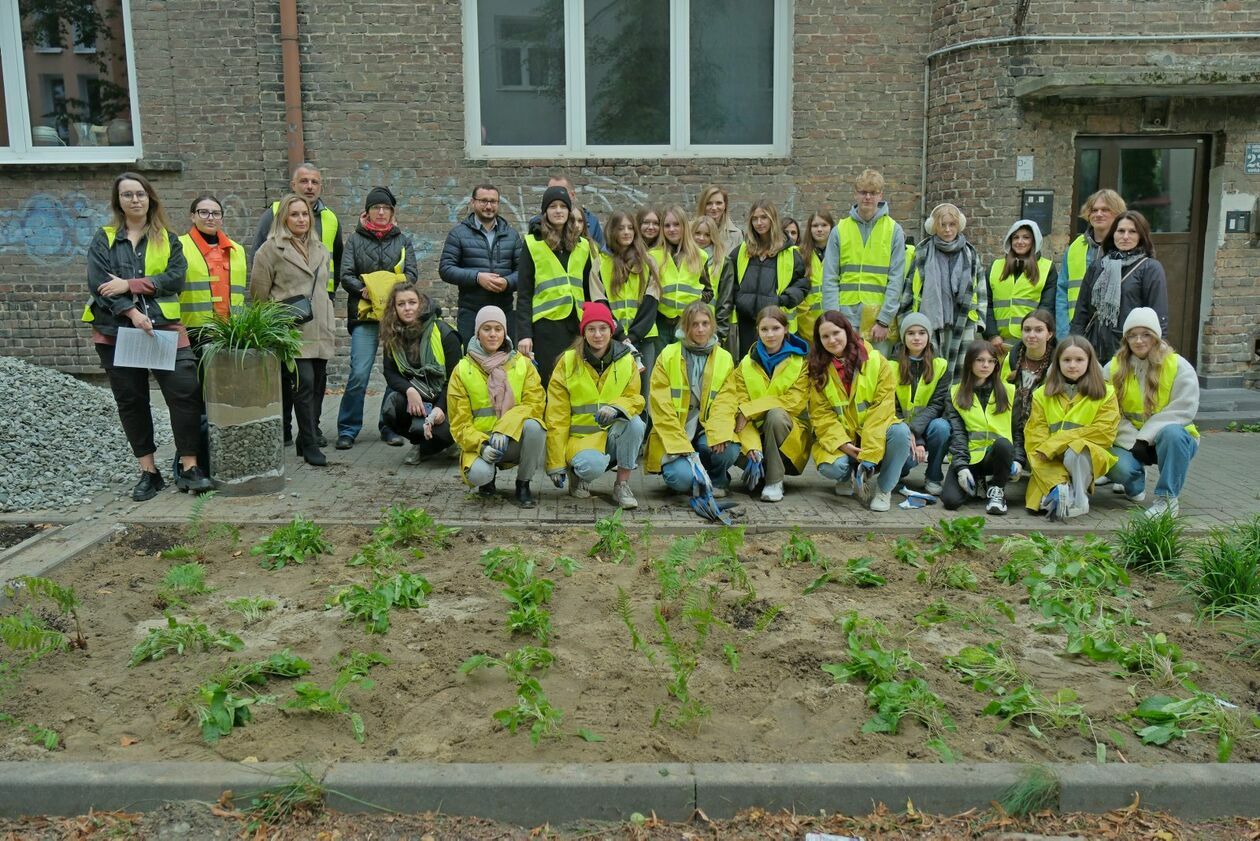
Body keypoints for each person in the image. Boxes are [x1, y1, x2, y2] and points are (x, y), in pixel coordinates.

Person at [85, 172, 210, 499]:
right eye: (127, 195)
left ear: (150, 198)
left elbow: (174, 279)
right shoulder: (104, 238)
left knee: (185, 391)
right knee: (132, 401)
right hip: (116, 333)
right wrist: (132, 311)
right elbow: (99, 283)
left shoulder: (169, 239)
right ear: (119, 202)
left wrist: (130, 284)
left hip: (163, 330)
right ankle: (149, 472)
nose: (135, 199)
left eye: (139, 193)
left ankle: (189, 466)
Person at [252, 163, 342, 447]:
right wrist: (270, 320)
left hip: (318, 315)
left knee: (316, 380)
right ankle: (287, 430)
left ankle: (311, 430)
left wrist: (326, 304)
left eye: (315, 181)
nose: (310, 186)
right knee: (294, 380)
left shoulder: (330, 221)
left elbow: (336, 263)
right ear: (294, 185)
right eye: (304, 181)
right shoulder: (273, 217)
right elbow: (259, 285)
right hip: (290, 320)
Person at [334, 186, 418, 451]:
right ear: (367, 211)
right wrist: (363, 289)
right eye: (376, 208)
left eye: (386, 208)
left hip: (394, 317)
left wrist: (393, 293)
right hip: (365, 315)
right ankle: (348, 428)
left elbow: (412, 274)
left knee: (395, 373)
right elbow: (345, 274)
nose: (381, 212)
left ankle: (389, 426)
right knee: (359, 373)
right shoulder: (355, 241)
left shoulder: (403, 240)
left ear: (392, 212)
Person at [544, 303, 646, 509]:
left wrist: (616, 408)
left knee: (635, 424)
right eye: (591, 329)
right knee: (592, 467)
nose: (597, 335)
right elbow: (557, 416)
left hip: (611, 436)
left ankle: (622, 485)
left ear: (611, 330)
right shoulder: (568, 362)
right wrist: (555, 464)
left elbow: (635, 399)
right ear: (583, 332)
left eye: (603, 328)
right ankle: (577, 476)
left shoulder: (627, 360)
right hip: (580, 440)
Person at [807, 312, 910, 512]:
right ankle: (846, 476)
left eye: (836, 333)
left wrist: (869, 454)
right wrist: (843, 445)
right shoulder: (816, 368)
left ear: (847, 330)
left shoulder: (877, 361)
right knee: (832, 467)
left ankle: (884, 490)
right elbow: (820, 415)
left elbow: (882, 410)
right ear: (819, 341)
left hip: (874, 434)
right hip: (843, 439)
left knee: (900, 432)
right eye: (825, 336)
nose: (832, 340)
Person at [1103, 308, 1199, 518]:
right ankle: (1135, 484)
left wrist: (1147, 437)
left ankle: (1166, 499)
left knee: (1173, 434)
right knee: (1108, 460)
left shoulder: (1178, 366)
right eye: (1132, 335)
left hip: (1171, 440)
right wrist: (1135, 440)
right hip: (1130, 441)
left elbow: (1183, 409)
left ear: (1156, 336)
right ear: (1126, 338)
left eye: (1146, 334)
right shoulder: (1113, 368)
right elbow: (1107, 411)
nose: (1139, 340)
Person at [447, 305, 545, 508]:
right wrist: (482, 446)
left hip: (512, 439)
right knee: (479, 474)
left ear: (505, 332)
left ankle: (523, 484)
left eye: (498, 329)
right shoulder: (462, 370)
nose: (493, 334)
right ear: (477, 333)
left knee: (536, 427)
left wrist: (504, 429)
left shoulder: (522, 364)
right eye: (487, 328)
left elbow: (535, 404)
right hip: (482, 444)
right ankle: (487, 480)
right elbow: (459, 425)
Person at [710, 306, 810, 503]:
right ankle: (732, 475)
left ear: (786, 329)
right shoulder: (746, 363)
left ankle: (774, 481)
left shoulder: (801, 362)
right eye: (764, 329)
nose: (770, 334)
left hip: (789, 436)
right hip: (754, 434)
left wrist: (749, 411)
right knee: (729, 420)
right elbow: (735, 403)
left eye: (776, 328)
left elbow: (794, 401)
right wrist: (752, 444)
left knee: (775, 415)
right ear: (757, 331)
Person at [646, 301, 741, 497]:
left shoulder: (724, 358)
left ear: (712, 325)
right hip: (677, 432)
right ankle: (694, 475)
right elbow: (660, 406)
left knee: (729, 449)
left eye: (705, 323)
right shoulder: (668, 355)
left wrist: (720, 432)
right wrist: (679, 445)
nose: (700, 329)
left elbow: (727, 400)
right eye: (694, 324)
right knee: (681, 480)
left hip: (706, 429)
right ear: (685, 327)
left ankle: (717, 480)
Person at [1024, 335, 1119, 520]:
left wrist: (1058, 442)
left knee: (1076, 450)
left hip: (1084, 457)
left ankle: (1080, 500)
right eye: (1066, 360)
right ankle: (1062, 489)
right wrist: (1058, 479)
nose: (1072, 365)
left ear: (1089, 362)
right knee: (1042, 504)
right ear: (1057, 362)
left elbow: (1105, 432)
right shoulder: (1041, 395)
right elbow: (1035, 437)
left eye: (1079, 360)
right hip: (1050, 459)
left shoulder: (1106, 394)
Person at [515, 186, 602, 386]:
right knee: (549, 380)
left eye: (563, 206)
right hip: (546, 327)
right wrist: (524, 334)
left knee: (575, 380)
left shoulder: (583, 246)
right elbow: (524, 294)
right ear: (545, 212)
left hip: (577, 326)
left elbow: (589, 292)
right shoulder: (532, 243)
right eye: (553, 206)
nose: (558, 210)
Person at [822, 169, 907, 354]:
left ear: (880, 195)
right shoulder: (840, 230)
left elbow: (896, 279)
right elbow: (829, 277)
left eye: (873, 193)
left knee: (877, 376)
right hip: (844, 317)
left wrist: (884, 320)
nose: (867, 197)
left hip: (878, 320)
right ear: (855, 194)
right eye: (863, 192)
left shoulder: (894, 230)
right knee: (843, 375)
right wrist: (833, 319)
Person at [1070, 210, 1170, 366]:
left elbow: (1158, 314)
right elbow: (1082, 311)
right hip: (1095, 347)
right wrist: (1074, 345)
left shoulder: (1150, 268)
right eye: (1121, 231)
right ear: (1113, 234)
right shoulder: (1098, 266)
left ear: (1141, 236)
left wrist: (1156, 350)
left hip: (1130, 349)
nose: (1125, 236)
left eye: (1132, 232)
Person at [378, 284, 464, 463]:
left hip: (447, 399)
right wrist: (410, 391)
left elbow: (455, 380)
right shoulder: (393, 335)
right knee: (392, 405)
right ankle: (418, 443)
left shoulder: (443, 333)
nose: (407, 308)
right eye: (401, 304)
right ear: (394, 308)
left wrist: (440, 408)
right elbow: (390, 373)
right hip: (420, 398)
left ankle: (450, 441)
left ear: (421, 304)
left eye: (412, 302)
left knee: (441, 434)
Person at [715, 199, 809, 359]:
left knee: (776, 366)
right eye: (754, 218)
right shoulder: (742, 250)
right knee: (749, 365)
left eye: (764, 217)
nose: (759, 223)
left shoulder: (790, 252)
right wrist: (740, 299)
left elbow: (803, 284)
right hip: (747, 323)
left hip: (775, 321)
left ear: (773, 219)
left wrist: (782, 300)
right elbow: (730, 283)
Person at [901, 203, 985, 380]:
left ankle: (955, 405)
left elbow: (981, 287)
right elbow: (910, 286)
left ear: (958, 225)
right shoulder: (923, 251)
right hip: (929, 320)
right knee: (932, 371)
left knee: (961, 372)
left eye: (952, 224)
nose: (947, 230)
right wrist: (907, 318)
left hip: (962, 320)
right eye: (942, 225)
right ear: (934, 227)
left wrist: (980, 320)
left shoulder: (970, 253)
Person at [438, 183, 523, 344]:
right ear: (473, 202)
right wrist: (477, 277)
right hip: (471, 311)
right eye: (483, 201)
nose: (488, 206)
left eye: (493, 201)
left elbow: (523, 273)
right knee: (471, 360)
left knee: (506, 361)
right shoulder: (458, 234)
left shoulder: (511, 235)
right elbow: (446, 269)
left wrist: (507, 282)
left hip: (504, 311)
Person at [942, 340, 1018, 514]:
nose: (986, 365)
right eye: (980, 360)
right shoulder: (955, 392)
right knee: (950, 501)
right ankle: (978, 480)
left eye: (991, 361)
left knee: (1003, 444)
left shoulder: (1009, 391)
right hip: (970, 457)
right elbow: (957, 434)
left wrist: (1019, 460)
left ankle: (997, 490)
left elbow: (1018, 430)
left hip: (998, 457)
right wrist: (961, 467)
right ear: (969, 362)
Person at [601, 211, 662, 401]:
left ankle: (643, 430)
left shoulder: (648, 262)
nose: (627, 232)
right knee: (616, 392)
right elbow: (600, 303)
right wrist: (620, 334)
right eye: (621, 228)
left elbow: (651, 302)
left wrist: (633, 336)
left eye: (630, 228)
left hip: (644, 339)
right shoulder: (600, 263)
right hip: (612, 339)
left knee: (644, 394)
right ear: (612, 231)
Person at [889, 313, 951, 496]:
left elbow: (937, 404)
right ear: (903, 337)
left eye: (922, 333)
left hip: (925, 427)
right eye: (911, 333)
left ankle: (933, 476)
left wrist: (917, 434)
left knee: (942, 427)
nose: (916, 338)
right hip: (898, 427)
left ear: (929, 336)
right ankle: (897, 473)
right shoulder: (890, 366)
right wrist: (908, 432)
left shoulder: (941, 366)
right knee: (908, 460)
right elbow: (892, 406)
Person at [177, 194, 246, 350]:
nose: (210, 218)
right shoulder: (178, 246)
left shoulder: (238, 250)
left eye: (216, 213)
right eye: (203, 212)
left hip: (233, 330)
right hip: (192, 330)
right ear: (192, 216)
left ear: (221, 218)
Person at [1057, 189, 1125, 339]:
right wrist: (1063, 333)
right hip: (1076, 330)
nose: (1098, 214)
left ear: (1118, 213)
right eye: (1094, 210)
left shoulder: (1124, 246)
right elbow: (1062, 291)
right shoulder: (1075, 247)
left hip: (1113, 332)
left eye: (1105, 209)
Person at [985, 219, 1056, 350]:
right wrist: (992, 334)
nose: (1020, 242)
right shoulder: (995, 267)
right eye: (1015, 237)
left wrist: (1034, 335)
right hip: (999, 343)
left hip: (1031, 341)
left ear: (1034, 241)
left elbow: (1047, 307)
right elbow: (986, 304)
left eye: (1026, 237)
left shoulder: (1047, 268)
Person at [1000, 308, 1057, 471]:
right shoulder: (1011, 359)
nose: (1031, 335)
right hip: (1012, 427)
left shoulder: (1059, 363)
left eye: (1039, 330)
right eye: (1027, 330)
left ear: (1050, 334)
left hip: (1044, 429)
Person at [657, 206, 713, 342]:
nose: (672, 229)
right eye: (667, 225)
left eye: (676, 224)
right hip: (660, 322)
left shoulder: (700, 256)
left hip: (687, 322)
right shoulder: (654, 255)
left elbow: (709, 291)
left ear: (685, 227)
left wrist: (695, 303)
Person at [528, 173, 606, 249]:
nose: (555, 195)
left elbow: (599, 253)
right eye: (550, 191)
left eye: (561, 191)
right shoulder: (537, 223)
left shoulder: (591, 222)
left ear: (572, 195)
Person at [797, 210, 834, 344]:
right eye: (815, 226)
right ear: (809, 228)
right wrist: (807, 327)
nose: (819, 229)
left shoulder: (840, 253)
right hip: (807, 325)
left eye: (824, 225)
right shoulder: (800, 253)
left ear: (831, 227)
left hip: (834, 324)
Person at [696, 185, 742, 252]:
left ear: (725, 205)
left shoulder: (736, 235)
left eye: (719, 203)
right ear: (703, 205)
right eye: (709, 203)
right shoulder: (690, 231)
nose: (714, 208)